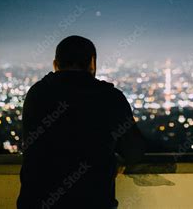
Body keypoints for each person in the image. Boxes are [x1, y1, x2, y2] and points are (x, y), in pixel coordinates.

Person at [17, 35, 145, 209]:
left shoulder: (36, 94)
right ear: (92, 63)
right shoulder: (109, 98)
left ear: (55, 64)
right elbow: (134, 151)